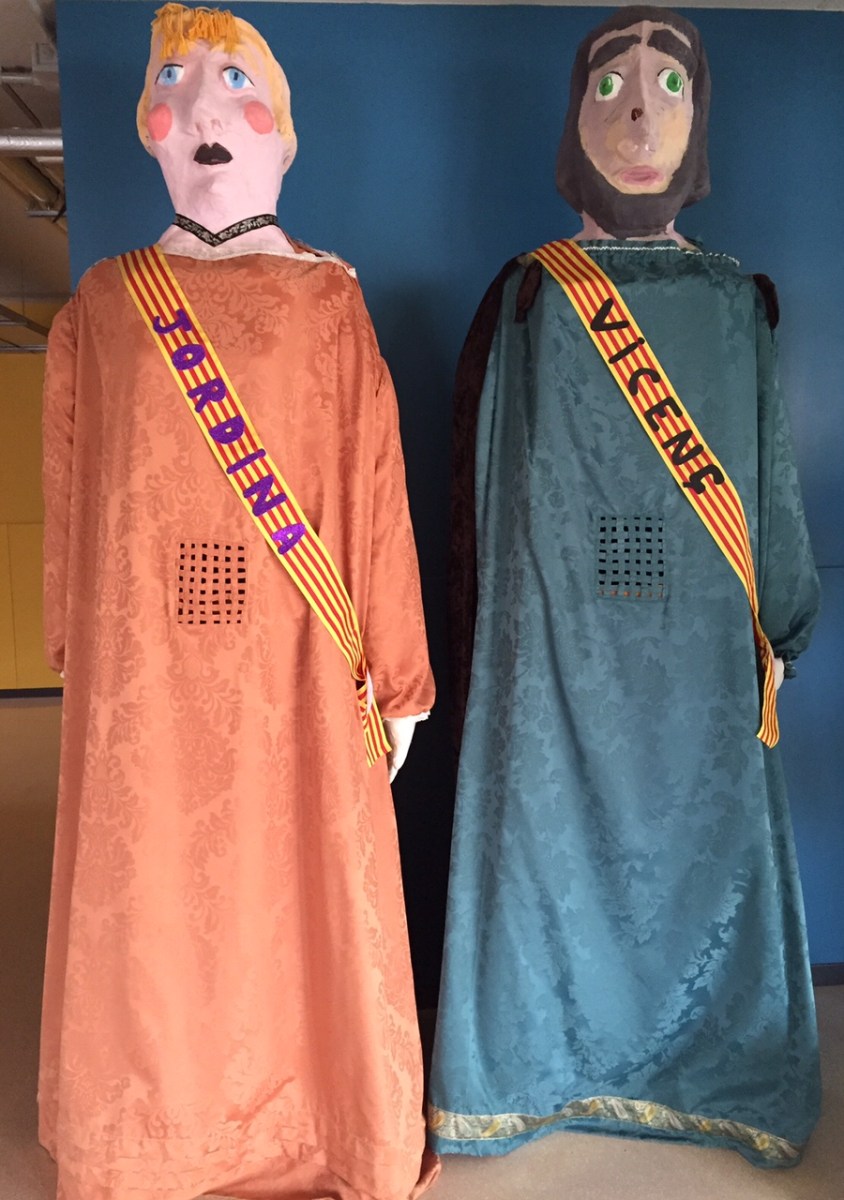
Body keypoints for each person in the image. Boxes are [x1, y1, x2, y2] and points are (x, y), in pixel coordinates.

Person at [40, 5, 435, 1199]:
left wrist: (400, 677)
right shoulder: (102, 304)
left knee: (296, 894)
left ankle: (316, 1123)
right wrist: (74, 647)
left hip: (297, 666)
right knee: (152, 906)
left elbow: (374, 491)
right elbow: (70, 487)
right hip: (142, 681)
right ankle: (151, 1138)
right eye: (176, 81)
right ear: (147, 124)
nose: (204, 105)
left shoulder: (329, 303)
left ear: (283, 132)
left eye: (236, 82)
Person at [429, 5, 820, 1169]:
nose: (640, 115)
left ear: (701, 124)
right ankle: (536, 1071)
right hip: (549, 663)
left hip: (700, 666)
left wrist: (779, 621)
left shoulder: (732, 304)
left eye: (668, 87)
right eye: (610, 87)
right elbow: (489, 498)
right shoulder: (529, 296)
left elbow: (769, 482)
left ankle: (704, 1071)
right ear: (572, 118)